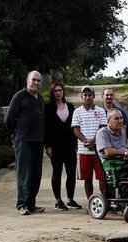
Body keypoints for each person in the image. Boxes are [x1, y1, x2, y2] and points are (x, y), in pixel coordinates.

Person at [5, 70, 45, 215]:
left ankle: (31, 204)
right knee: (24, 174)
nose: (35, 83)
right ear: (27, 81)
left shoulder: (39, 98)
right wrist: (13, 135)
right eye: (33, 80)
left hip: (38, 141)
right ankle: (22, 205)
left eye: (38, 81)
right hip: (24, 140)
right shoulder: (19, 97)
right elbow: (9, 119)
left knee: (36, 174)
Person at [44, 82, 82, 210]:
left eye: (60, 90)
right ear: (52, 93)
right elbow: (46, 129)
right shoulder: (48, 108)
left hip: (70, 145)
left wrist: (77, 142)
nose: (58, 93)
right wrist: (47, 146)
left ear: (63, 92)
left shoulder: (70, 107)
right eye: (56, 91)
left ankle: (70, 199)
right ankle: (58, 200)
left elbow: (75, 126)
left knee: (71, 173)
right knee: (57, 172)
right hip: (55, 146)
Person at [72, 85, 107, 200]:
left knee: (102, 178)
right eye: (85, 95)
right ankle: (91, 203)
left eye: (90, 95)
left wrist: (93, 141)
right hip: (83, 151)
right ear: (82, 96)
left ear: (93, 96)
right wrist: (85, 140)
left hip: (99, 151)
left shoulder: (101, 111)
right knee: (87, 179)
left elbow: (102, 128)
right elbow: (76, 129)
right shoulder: (77, 112)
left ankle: (106, 202)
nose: (88, 97)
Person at [95, 109, 128, 188]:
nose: (120, 121)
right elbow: (108, 151)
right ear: (108, 121)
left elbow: (125, 146)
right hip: (113, 165)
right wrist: (127, 153)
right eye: (116, 119)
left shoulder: (122, 131)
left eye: (121, 118)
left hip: (125, 163)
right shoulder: (102, 133)